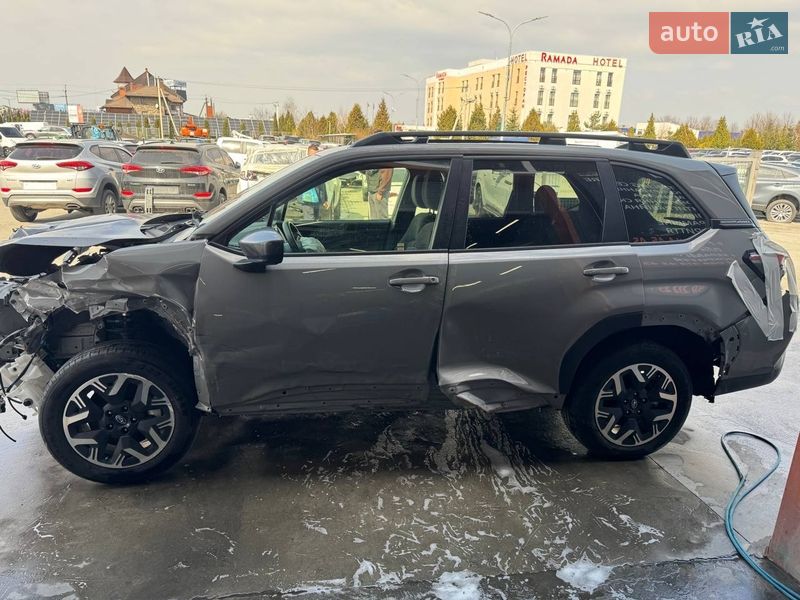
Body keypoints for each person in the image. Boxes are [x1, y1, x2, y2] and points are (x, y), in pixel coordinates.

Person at [299, 143, 328, 220]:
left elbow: (322, 184)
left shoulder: (319, 166)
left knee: (316, 219)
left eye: (316, 155)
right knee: (309, 219)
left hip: (318, 199)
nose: (314, 157)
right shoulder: (303, 167)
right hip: (307, 199)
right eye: (312, 155)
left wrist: (325, 199)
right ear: (308, 154)